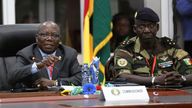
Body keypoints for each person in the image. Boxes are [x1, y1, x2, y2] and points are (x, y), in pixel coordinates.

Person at [113, 7, 192, 87]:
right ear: (135, 29)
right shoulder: (126, 48)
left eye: (151, 26)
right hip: (140, 95)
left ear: (157, 28)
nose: (147, 30)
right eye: (142, 27)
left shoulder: (169, 47)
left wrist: (181, 79)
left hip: (168, 95)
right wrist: (155, 80)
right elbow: (123, 76)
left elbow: (190, 72)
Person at [8, 21, 82, 89]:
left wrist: (55, 83)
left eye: (54, 35)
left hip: (61, 98)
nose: (49, 38)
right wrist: (37, 66)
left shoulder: (69, 54)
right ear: (37, 38)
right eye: (44, 35)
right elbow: (12, 77)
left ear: (59, 39)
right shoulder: (26, 54)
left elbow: (80, 78)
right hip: (34, 99)